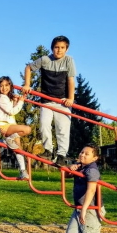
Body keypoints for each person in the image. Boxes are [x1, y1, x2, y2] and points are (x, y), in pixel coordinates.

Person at [21, 35, 77, 166]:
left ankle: (62, 155)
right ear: (52, 48)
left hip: (62, 101)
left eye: (62, 48)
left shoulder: (69, 60)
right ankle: (48, 150)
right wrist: (27, 84)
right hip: (47, 100)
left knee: (62, 128)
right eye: (56, 47)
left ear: (67, 49)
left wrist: (70, 99)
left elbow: (71, 80)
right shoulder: (45, 60)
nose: (59, 50)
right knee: (44, 124)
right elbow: (28, 68)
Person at [64, 142, 108, 233]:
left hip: (91, 209)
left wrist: (84, 210)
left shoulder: (92, 170)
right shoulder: (81, 167)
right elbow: (65, 175)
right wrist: (70, 169)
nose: (82, 155)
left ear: (94, 158)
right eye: (82, 152)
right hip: (81, 208)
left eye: (86, 154)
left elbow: (91, 190)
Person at [0, 76, 32, 180]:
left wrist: (15, 101)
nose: (4, 88)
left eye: (6, 85)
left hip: (10, 124)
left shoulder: (7, 98)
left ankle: (23, 171)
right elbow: (12, 112)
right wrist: (21, 101)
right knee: (27, 129)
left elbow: (11, 110)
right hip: (4, 125)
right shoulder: (1, 97)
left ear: (10, 86)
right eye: (1, 86)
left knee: (18, 148)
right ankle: (9, 139)